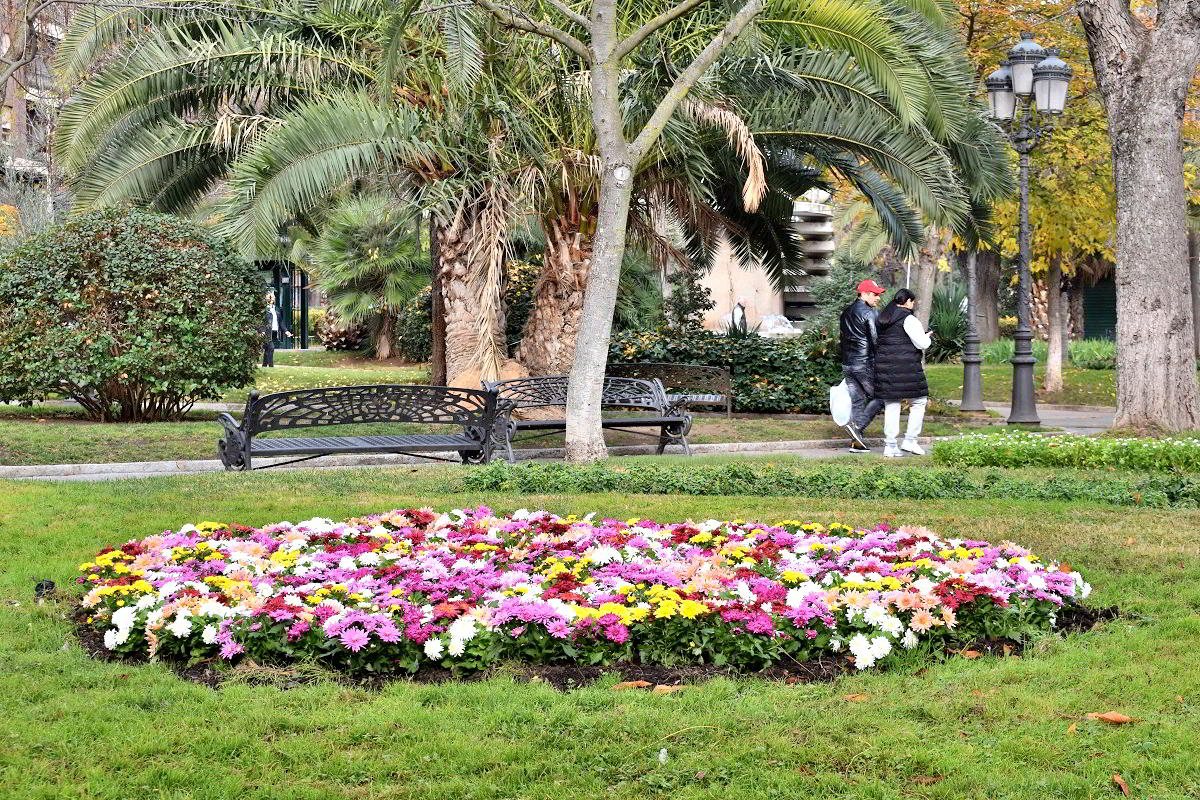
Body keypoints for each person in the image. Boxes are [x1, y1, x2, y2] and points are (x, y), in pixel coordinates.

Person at [873, 288, 933, 457]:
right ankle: (910, 441)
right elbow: (922, 344)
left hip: (886, 368)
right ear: (907, 302)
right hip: (907, 368)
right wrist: (927, 336)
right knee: (919, 402)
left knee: (892, 404)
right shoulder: (909, 319)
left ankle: (890, 445)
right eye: (912, 301)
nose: (913, 304)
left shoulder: (883, 318)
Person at [839, 279, 886, 452]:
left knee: (858, 401)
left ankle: (857, 444)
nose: (878, 298)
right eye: (875, 294)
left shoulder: (845, 312)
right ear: (864, 293)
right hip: (864, 363)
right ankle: (858, 427)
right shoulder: (870, 313)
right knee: (882, 396)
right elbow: (875, 340)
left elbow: (842, 338)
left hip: (848, 364)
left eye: (878, 294)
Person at [262, 291, 280, 367]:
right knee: (271, 347)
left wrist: (286, 330)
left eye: (273, 298)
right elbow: (260, 321)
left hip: (274, 331)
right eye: (270, 298)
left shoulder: (276, 309)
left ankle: (264, 365)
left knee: (267, 349)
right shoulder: (264, 309)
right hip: (267, 331)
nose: (272, 300)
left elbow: (280, 321)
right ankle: (271, 365)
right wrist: (262, 330)